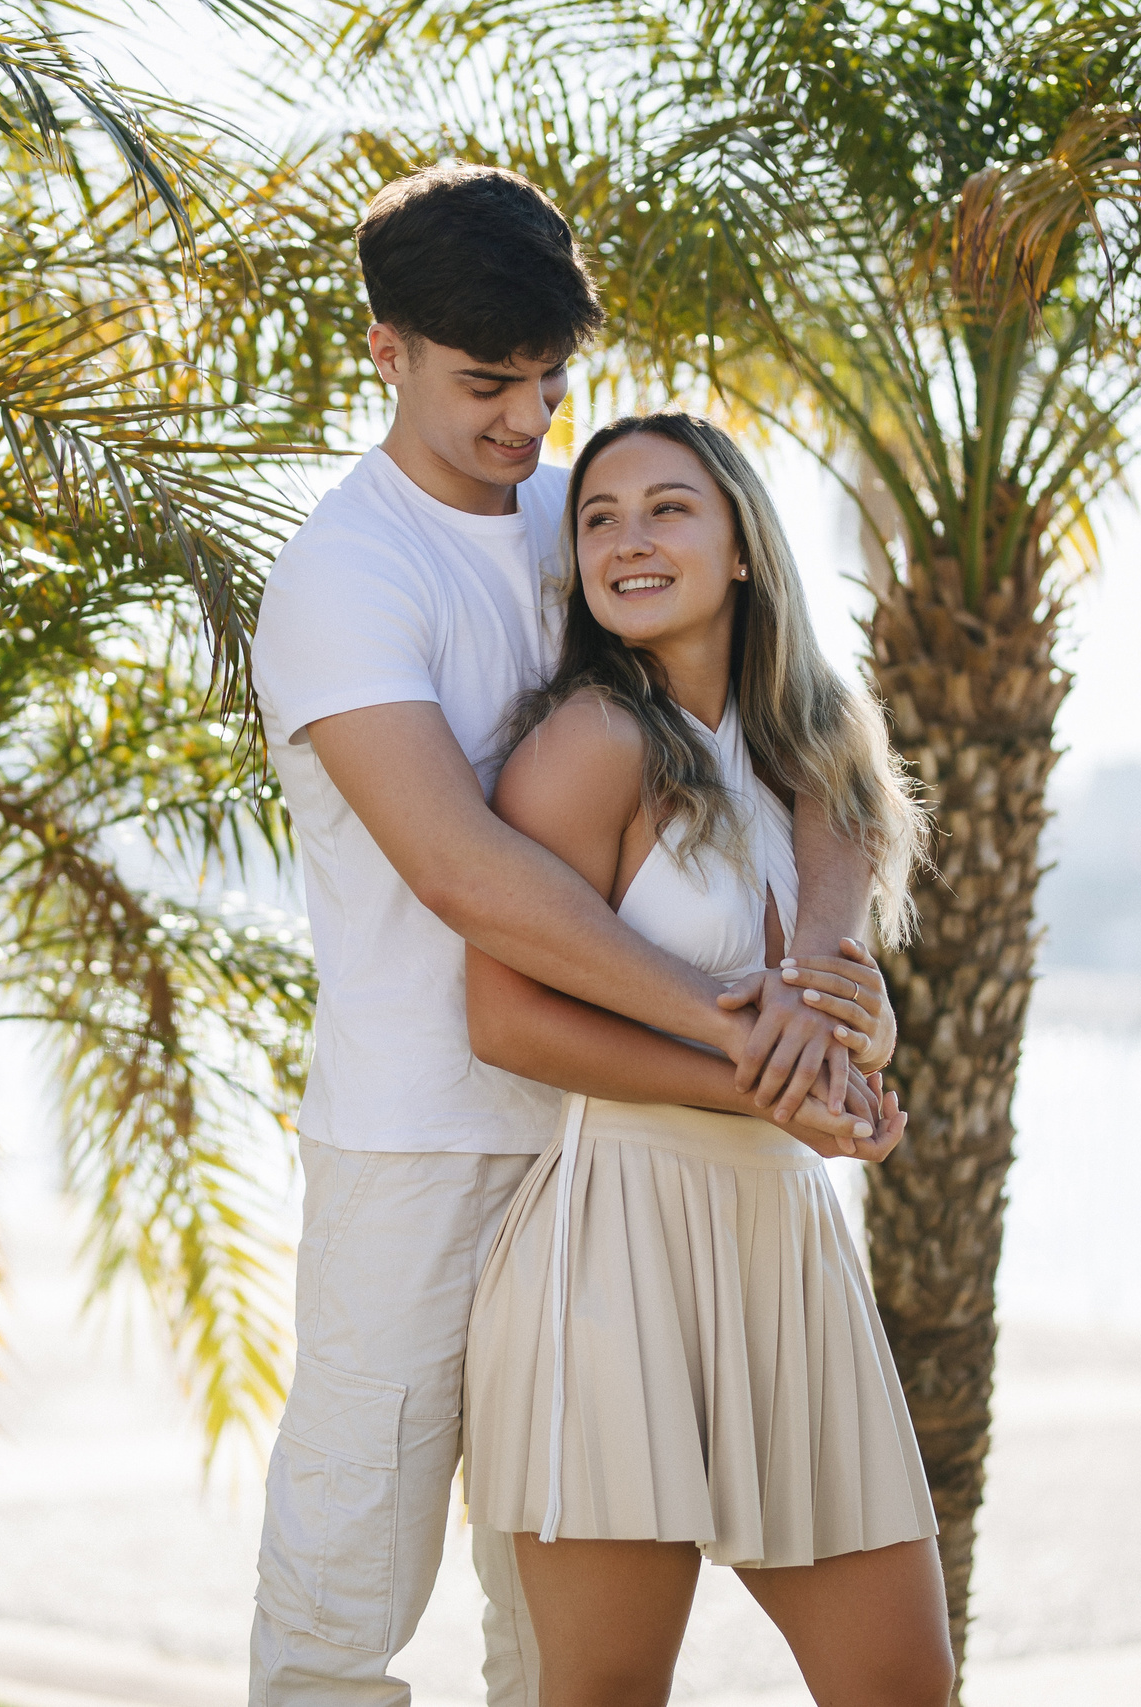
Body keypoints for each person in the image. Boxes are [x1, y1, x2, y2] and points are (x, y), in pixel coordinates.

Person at [246, 162, 904, 1707]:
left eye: (550, 381)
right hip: (420, 1143)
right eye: (490, 384)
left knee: (550, 1644)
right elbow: (468, 871)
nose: (529, 423)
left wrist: (817, 963)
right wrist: (741, 1027)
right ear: (385, 349)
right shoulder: (345, 578)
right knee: (348, 1597)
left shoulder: (591, 513)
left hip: (614, 1157)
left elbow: (804, 721)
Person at [461, 411, 950, 1707]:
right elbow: (503, 1020)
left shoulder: (812, 748)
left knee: (903, 1684)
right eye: (601, 518)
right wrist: (766, 1083)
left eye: (669, 508)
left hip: (787, 1242)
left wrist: (859, 1054)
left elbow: (827, 999)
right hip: (612, 1242)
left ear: (742, 544)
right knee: (610, 1691)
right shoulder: (588, 744)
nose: (629, 539)